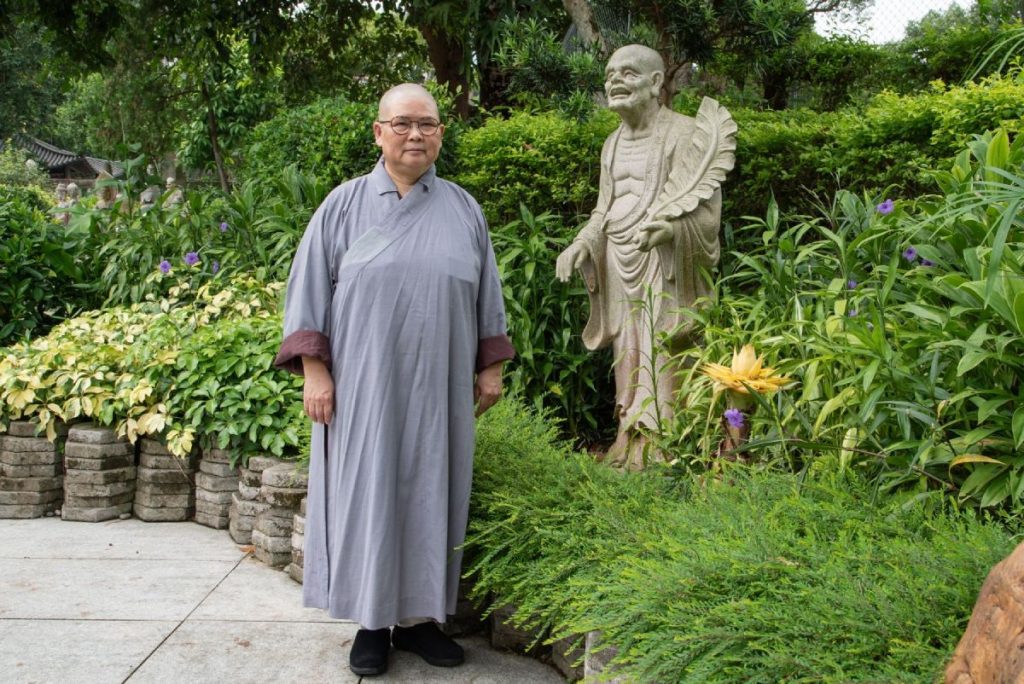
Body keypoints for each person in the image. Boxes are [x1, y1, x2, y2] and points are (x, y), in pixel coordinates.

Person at [274, 83, 514, 677]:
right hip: (363, 390)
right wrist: (315, 369)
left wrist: (490, 367)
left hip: (440, 388)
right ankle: (372, 624)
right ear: (378, 131)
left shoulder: (464, 208)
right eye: (402, 123)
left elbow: (488, 296)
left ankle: (423, 621)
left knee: (434, 493)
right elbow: (308, 294)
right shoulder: (342, 206)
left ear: (439, 134)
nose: (415, 135)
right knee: (369, 496)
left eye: (427, 124)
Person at [555, 45, 736, 469]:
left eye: (629, 73)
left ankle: (666, 442)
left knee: (662, 342)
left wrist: (673, 231)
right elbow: (604, 208)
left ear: (656, 83)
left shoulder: (686, 135)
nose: (615, 80)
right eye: (610, 73)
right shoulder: (611, 144)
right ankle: (628, 436)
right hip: (618, 258)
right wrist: (583, 242)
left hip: (666, 261)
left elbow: (708, 215)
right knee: (628, 349)